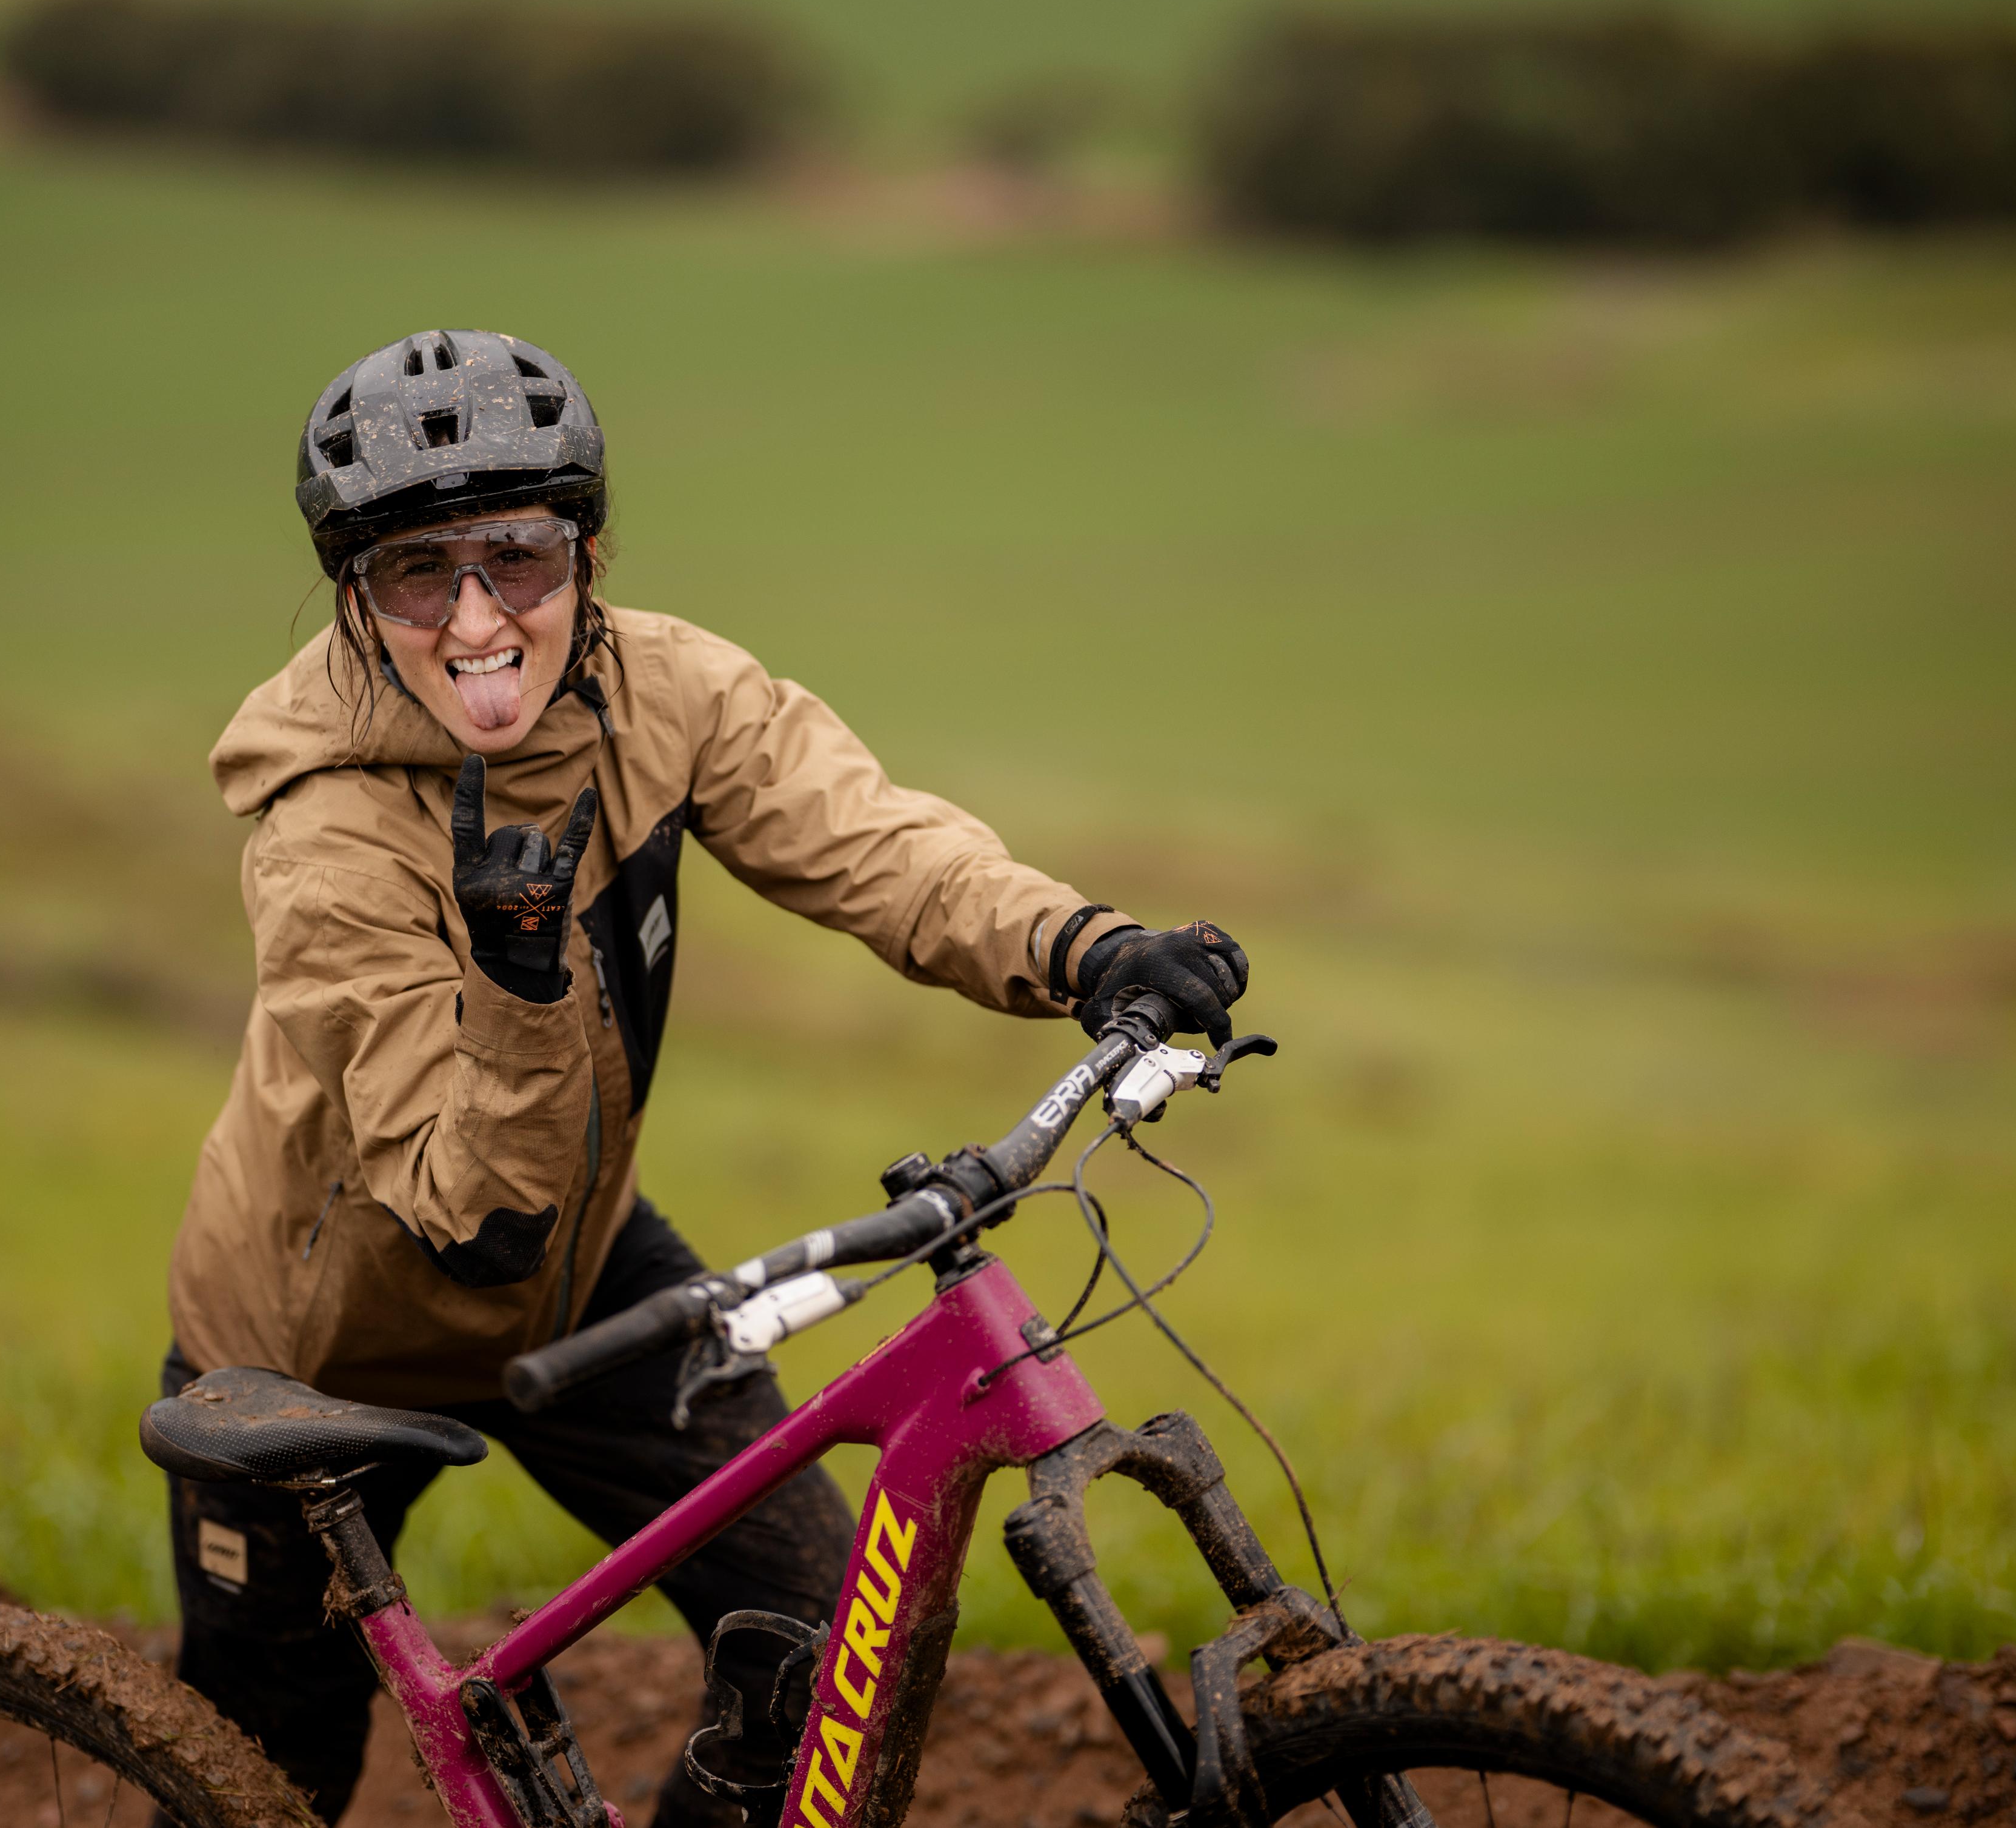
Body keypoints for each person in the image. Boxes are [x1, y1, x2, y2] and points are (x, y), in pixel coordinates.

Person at [158, 329, 1249, 1825]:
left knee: (820, 1642)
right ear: (357, 593)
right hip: (314, 1339)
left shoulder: (668, 693)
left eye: (519, 556)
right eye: (419, 573)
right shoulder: (325, 836)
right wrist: (523, 980)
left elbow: (875, 844)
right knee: (270, 1768)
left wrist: (1083, 945)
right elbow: (471, 1208)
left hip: (588, 1271)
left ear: (588, 553)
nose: (476, 615)